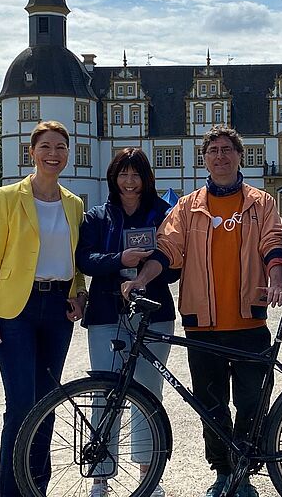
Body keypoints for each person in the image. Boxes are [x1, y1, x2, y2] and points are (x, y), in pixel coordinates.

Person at [122, 125, 282, 497]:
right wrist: (141, 279)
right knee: (211, 406)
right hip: (203, 325)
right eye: (213, 150)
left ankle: (244, 472)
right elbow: (167, 249)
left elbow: (273, 243)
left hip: (249, 321)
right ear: (204, 159)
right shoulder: (187, 206)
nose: (220, 156)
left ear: (240, 155)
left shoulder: (261, 202)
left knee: (251, 403)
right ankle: (223, 471)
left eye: (227, 149)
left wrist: (276, 278)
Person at [0, 120, 87, 497]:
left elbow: (75, 259)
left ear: (68, 154)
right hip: (16, 311)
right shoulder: (8, 197)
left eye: (60, 147)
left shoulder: (74, 204)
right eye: (46, 147)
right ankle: (11, 491)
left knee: (47, 403)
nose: (53, 154)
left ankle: (36, 487)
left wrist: (80, 293)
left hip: (57, 309)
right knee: (21, 405)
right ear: (31, 152)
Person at [75, 148, 179, 497]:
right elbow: (85, 259)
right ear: (113, 177)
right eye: (123, 174)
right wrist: (120, 258)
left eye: (136, 174)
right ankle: (100, 476)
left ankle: (149, 475)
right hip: (107, 312)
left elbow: (175, 268)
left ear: (146, 178)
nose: (130, 182)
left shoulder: (163, 214)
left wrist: (149, 267)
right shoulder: (97, 216)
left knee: (148, 393)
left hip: (153, 314)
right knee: (104, 392)